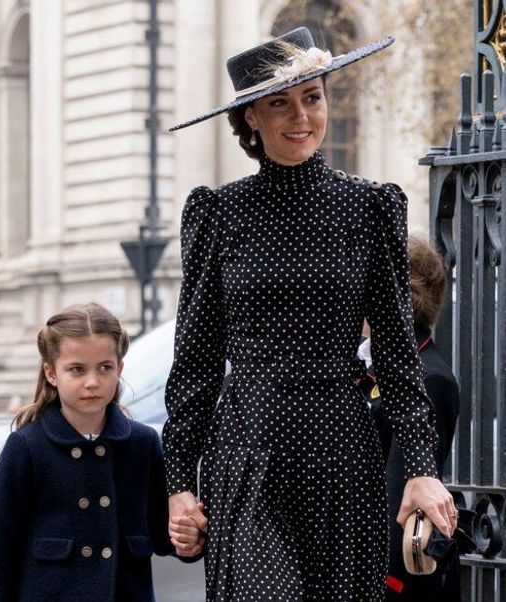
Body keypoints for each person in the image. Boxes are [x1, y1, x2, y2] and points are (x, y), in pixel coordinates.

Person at [163, 27, 457, 600]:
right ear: (251, 117)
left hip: (341, 452)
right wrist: (179, 484)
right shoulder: (218, 213)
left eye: (313, 97)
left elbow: (398, 350)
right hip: (248, 448)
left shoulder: (369, 207)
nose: (301, 116)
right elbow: (195, 361)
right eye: (280, 103)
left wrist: (421, 467)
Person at [0, 303, 205, 601]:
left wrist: (189, 540)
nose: (92, 382)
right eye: (76, 369)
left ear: (119, 369)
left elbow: (165, 535)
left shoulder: (142, 443)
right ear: (51, 373)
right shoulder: (27, 447)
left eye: (105, 368)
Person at [359, 236, 461, 600]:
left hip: (394, 579)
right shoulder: (377, 364)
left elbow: (398, 491)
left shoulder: (428, 375)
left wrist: (384, 582)